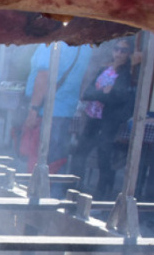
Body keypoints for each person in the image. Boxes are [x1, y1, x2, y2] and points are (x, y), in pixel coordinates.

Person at [69, 38, 139, 199]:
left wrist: (103, 94)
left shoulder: (126, 74)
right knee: (80, 152)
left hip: (109, 120)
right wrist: (103, 93)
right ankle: (74, 186)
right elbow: (87, 93)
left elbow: (119, 97)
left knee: (104, 156)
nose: (119, 53)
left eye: (123, 51)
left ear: (128, 54)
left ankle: (102, 193)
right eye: (117, 49)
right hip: (92, 118)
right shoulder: (104, 69)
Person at [21, 41, 92, 174]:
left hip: (46, 110)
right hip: (67, 110)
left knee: (40, 158)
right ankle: (53, 186)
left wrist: (33, 109)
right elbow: (85, 77)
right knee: (57, 159)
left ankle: (38, 185)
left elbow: (43, 76)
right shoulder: (85, 46)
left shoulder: (52, 43)